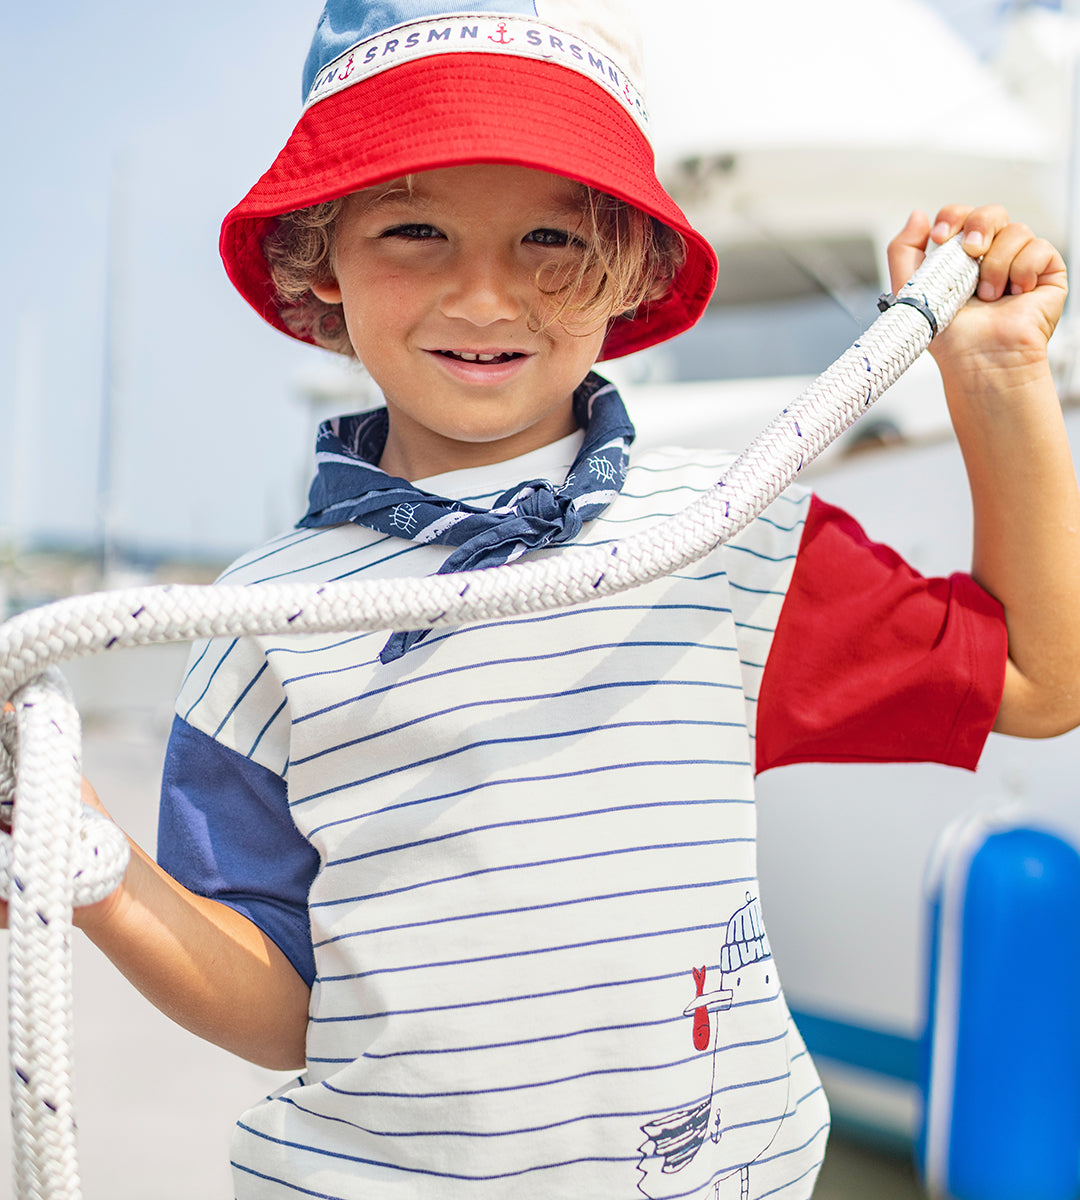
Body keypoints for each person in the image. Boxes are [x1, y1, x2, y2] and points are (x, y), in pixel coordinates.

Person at [31, 0, 1080, 1197]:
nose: (485, 296)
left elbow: (1042, 683)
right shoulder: (256, 624)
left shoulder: (729, 530)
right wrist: (97, 867)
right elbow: (283, 1008)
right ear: (319, 252)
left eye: (552, 239)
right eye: (415, 229)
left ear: (632, 260)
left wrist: (997, 376)